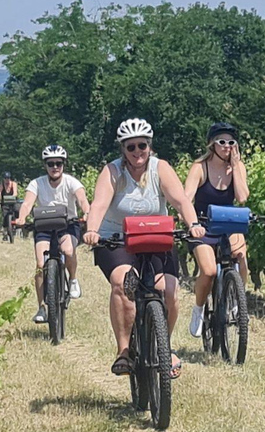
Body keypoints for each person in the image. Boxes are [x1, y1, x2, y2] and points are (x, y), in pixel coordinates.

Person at [83, 118, 205, 379]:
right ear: (122, 150)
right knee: (123, 284)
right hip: (117, 239)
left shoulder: (160, 169)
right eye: (131, 147)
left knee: (169, 290)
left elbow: (181, 200)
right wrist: (92, 230)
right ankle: (124, 350)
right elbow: (99, 204)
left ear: (150, 146)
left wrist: (192, 223)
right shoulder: (113, 172)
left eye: (142, 146)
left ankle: (164, 347)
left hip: (156, 237)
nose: (138, 152)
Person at [183, 122, 249, 338]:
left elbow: (241, 197)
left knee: (241, 258)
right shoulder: (199, 168)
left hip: (227, 224)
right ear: (212, 144)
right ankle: (199, 309)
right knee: (209, 271)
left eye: (232, 142)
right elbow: (186, 199)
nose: (227, 146)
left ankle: (236, 301)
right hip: (203, 226)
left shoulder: (237, 167)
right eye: (222, 142)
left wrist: (236, 167)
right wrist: (192, 225)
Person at [15, 145, 91, 323]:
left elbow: (82, 199)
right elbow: (27, 203)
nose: (55, 167)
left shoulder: (72, 182)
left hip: (68, 225)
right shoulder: (36, 183)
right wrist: (21, 217)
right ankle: (41, 307)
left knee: (68, 251)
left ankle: (72, 280)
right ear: (45, 165)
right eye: (51, 163)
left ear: (63, 164)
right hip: (44, 226)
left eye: (58, 163)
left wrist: (86, 212)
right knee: (41, 264)